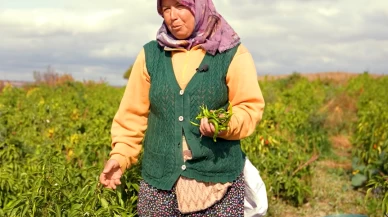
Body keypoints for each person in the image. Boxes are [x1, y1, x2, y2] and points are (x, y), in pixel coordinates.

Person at [99, 0, 267, 216]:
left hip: (216, 183)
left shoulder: (231, 53)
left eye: (180, 6)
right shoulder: (151, 55)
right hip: (159, 185)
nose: (172, 16)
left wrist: (223, 124)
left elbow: (248, 107)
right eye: (166, 9)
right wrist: (120, 156)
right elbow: (132, 114)